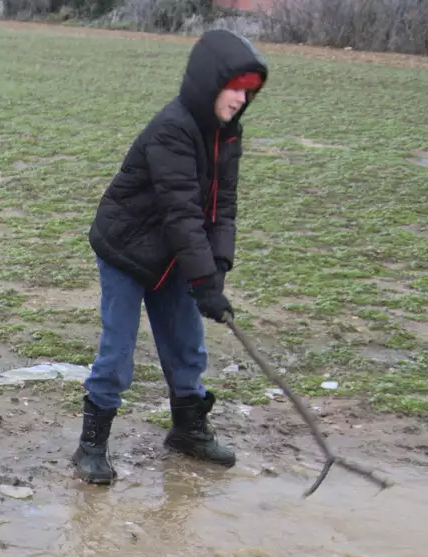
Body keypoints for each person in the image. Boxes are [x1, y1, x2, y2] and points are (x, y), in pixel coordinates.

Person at [74, 29, 268, 486]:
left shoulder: (226, 135)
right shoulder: (172, 129)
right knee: (118, 353)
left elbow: (222, 206)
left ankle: (188, 431)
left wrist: (215, 273)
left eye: (248, 92)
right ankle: (91, 445)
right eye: (234, 88)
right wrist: (202, 280)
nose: (240, 99)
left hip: (174, 254)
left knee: (186, 345)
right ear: (209, 83)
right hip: (128, 248)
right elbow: (181, 212)